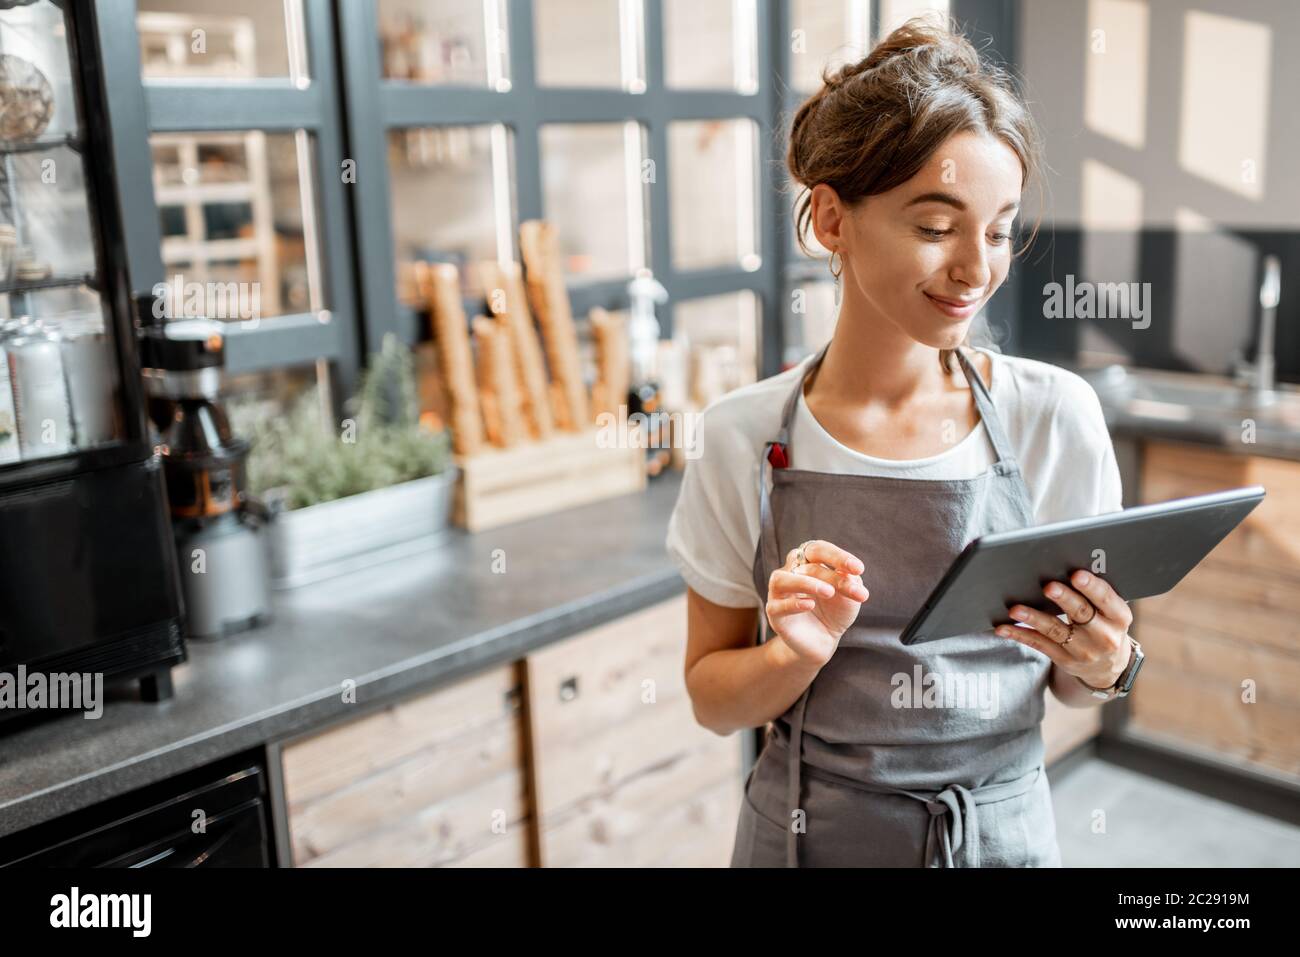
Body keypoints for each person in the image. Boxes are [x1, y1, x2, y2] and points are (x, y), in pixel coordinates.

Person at [666, 16, 1138, 868]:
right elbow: (712, 697)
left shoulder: (1053, 416)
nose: (975, 267)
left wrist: (1107, 663)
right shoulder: (745, 435)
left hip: (1002, 838)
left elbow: (1074, 686)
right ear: (832, 219)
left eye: (997, 230)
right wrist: (792, 654)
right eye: (934, 226)